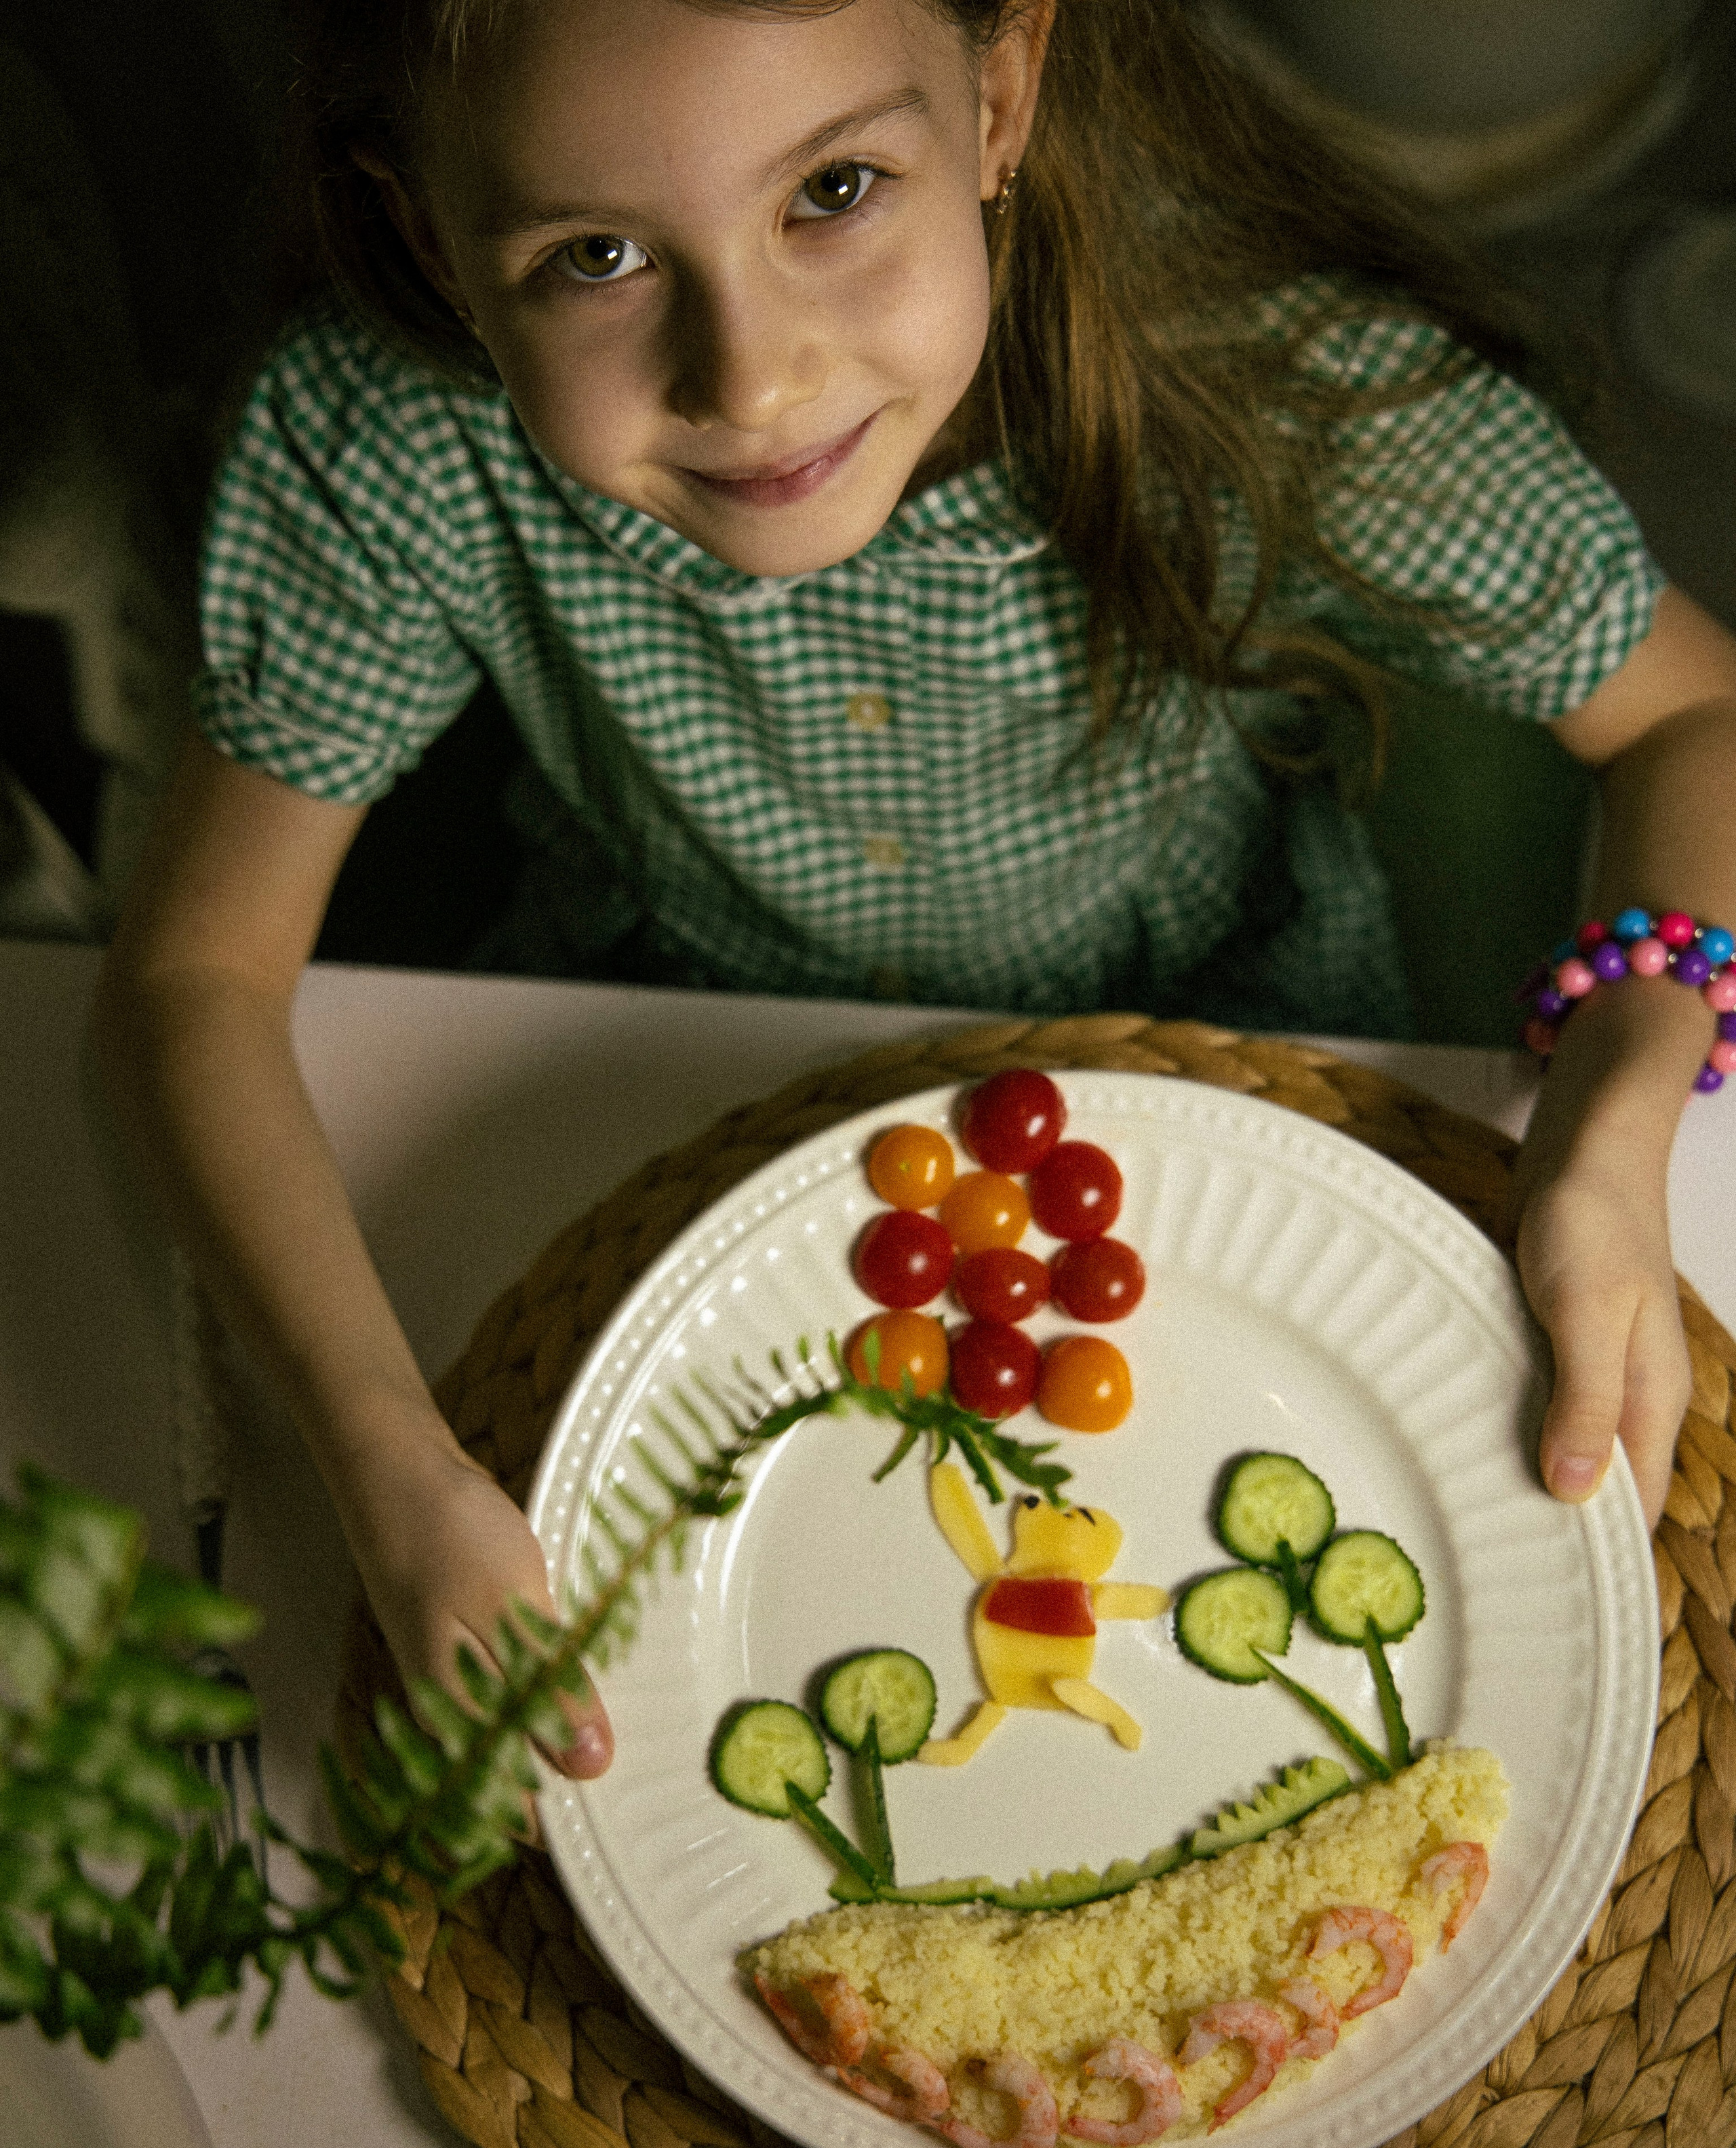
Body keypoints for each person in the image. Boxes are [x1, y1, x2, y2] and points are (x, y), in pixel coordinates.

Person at [96, 0, 1736, 1785]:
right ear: (433, 237)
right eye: (597, 254)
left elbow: (1696, 716)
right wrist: (380, 1457)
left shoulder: (1262, 367)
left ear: (1000, 94)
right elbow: (194, 978)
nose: (752, 375)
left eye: (837, 190)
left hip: (1227, 1044)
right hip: (639, 1062)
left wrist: (1619, 1116)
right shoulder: (388, 444)